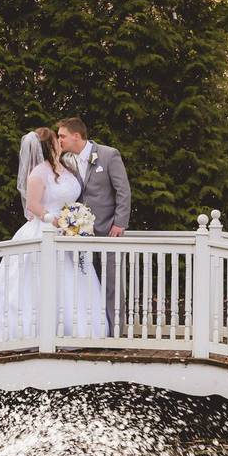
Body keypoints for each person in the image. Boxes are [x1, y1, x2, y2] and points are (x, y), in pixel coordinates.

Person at [0, 127, 107, 342]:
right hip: (45, 230)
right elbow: (33, 205)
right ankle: (33, 333)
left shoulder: (67, 167)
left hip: (68, 230)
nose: (60, 141)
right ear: (48, 146)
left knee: (75, 279)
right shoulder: (38, 173)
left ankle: (78, 331)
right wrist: (53, 220)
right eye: (56, 139)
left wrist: (75, 219)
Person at [57, 117, 131, 332]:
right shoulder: (67, 161)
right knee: (87, 284)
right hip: (80, 234)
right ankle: (98, 330)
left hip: (110, 231)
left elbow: (123, 191)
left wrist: (120, 223)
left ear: (76, 136)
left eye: (62, 135)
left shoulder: (109, 154)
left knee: (112, 284)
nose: (59, 139)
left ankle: (117, 331)